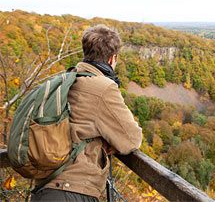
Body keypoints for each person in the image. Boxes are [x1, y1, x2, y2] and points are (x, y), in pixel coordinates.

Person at [31, 25, 142, 201]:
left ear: (86, 53)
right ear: (113, 59)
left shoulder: (63, 80)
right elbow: (131, 139)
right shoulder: (103, 88)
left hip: (44, 187)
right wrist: (112, 141)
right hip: (72, 190)